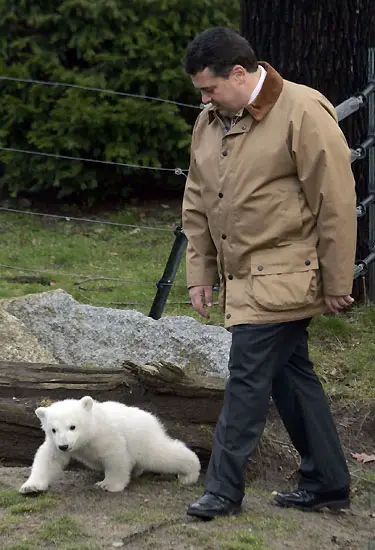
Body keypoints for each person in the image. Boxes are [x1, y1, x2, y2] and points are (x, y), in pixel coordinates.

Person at [181, 27, 357, 520]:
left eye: (209, 88)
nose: (204, 97)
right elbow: (197, 199)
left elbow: (336, 201)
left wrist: (339, 281)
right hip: (245, 277)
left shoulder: (303, 111)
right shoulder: (210, 121)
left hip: (286, 275)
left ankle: (222, 490)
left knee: (247, 379)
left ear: (239, 73)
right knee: (291, 377)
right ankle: (327, 481)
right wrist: (201, 273)